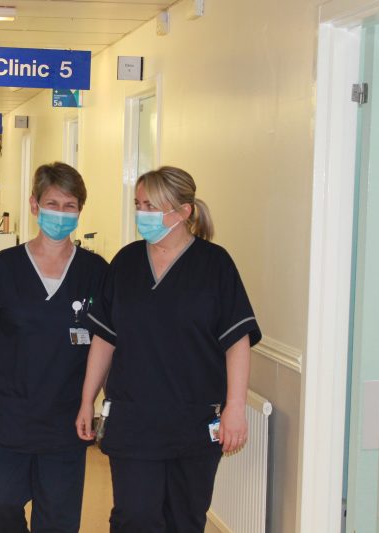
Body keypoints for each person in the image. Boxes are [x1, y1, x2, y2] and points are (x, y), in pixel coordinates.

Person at [75, 166, 261, 533]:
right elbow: (104, 338)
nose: (143, 213)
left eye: (153, 205)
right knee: (135, 517)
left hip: (192, 420)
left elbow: (237, 340)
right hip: (133, 418)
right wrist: (86, 399)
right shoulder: (126, 263)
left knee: (185, 520)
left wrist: (235, 408)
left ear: (184, 211)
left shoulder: (215, 265)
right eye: (139, 204)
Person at [0, 162, 108, 533]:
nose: (61, 213)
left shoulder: (96, 272)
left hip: (67, 416)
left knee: (58, 516)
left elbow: (107, 341)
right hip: (9, 412)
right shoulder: (4, 267)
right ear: (35, 205)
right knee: (2, 504)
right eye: (53, 203)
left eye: (70, 206)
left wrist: (97, 403)